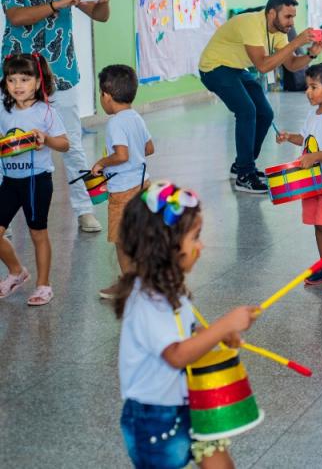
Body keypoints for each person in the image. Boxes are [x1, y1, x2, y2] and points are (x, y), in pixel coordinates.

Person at [113, 181, 257, 468]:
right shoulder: (147, 300)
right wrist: (224, 323)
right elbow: (177, 354)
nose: (201, 245)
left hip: (189, 401)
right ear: (164, 246)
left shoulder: (170, 289)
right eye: (195, 237)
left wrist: (217, 335)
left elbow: (185, 335)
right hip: (153, 418)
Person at [1, 0, 111, 233]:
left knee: (72, 143)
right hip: (18, 76)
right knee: (7, 142)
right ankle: (3, 217)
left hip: (61, 74)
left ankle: (84, 209)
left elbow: (100, 16)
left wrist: (103, 1)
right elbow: (16, 17)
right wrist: (57, 4)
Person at [198, 0, 322, 194]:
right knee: (247, 111)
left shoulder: (280, 31)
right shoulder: (251, 23)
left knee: (265, 113)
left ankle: (242, 164)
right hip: (214, 67)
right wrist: (296, 42)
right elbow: (263, 66)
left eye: (293, 17)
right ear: (272, 13)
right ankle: (244, 175)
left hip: (237, 68)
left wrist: (310, 54)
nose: (291, 22)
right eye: (287, 17)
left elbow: (291, 65)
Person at [275, 62, 322, 288]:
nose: (307, 92)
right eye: (307, 87)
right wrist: (290, 137)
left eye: (313, 87)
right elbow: (306, 139)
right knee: (317, 223)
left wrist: (315, 157)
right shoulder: (312, 114)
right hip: (312, 180)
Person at [0, 54, 68, 306]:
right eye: (11, 80)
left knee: (37, 233)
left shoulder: (46, 112)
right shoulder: (4, 109)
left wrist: (45, 140)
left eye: (25, 79)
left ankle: (44, 285)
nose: (17, 85)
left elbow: (64, 144)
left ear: (38, 82)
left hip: (36, 181)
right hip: (9, 181)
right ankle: (17, 272)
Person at [92, 65, 155, 300]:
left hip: (122, 191)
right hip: (143, 185)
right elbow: (149, 148)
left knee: (121, 240)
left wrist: (101, 163)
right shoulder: (135, 117)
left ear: (107, 96)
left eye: (100, 95)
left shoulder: (115, 122)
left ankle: (130, 285)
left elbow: (121, 155)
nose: (101, 99)